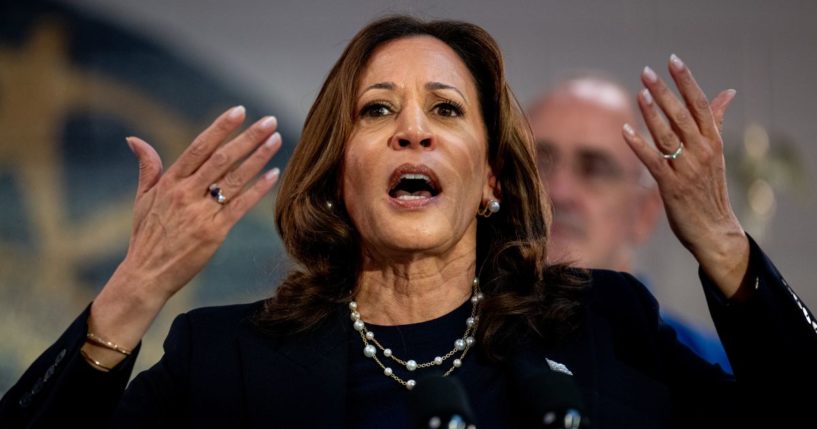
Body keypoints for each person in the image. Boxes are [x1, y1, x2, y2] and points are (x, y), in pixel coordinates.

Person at [1, 15, 816, 428]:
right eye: (377, 109)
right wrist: (130, 296)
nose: (413, 130)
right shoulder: (226, 363)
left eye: (447, 109)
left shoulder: (604, 327)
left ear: (489, 178)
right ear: (337, 181)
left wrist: (723, 246)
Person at [527, 75, 733, 372]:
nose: (559, 192)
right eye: (540, 164)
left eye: (593, 169)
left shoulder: (706, 366)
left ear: (643, 212)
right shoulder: (460, 349)